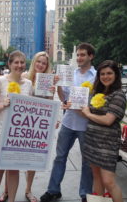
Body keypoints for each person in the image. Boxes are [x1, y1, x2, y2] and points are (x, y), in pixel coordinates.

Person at [0, 51, 56, 202]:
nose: (41, 65)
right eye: (38, 61)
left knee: (33, 159)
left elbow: (50, 104)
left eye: (44, 63)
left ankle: (28, 190)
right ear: (34, 62)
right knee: (10, 160)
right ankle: (6, 191)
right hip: (19, 124)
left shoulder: (48, 82)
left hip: (36, 126)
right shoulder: (23, 78)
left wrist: (51, 93)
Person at [40, 43, 96, 202]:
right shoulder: (71, 73)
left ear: (90, 56)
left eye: (82, 55)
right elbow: (64, 97)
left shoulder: (96, 76)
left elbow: (100, 101)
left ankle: (85, 193)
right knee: (60, 157)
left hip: (86, 125)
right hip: (68, 122)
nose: (79, 58)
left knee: (87, 162)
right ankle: (53, 190)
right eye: (78, 55)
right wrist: (58, 84)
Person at [0, 50, 33, 202]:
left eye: (22, 63)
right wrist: (3, 104)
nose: (19, 66)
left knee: (14, 170)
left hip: (18, 135)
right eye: (16, 62)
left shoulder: (28, 84)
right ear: (10, 64)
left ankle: (12, 199)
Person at [81, 60, 127, 202]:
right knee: (96, 177)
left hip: (107, 144)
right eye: (102, 74)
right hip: (92, 141)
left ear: (116, 75)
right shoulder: (98, 92)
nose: (106, 76)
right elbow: (87, 111)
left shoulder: (118, 95)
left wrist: (88, 114)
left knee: (109, 182)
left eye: (109, 73)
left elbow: (108, 120)